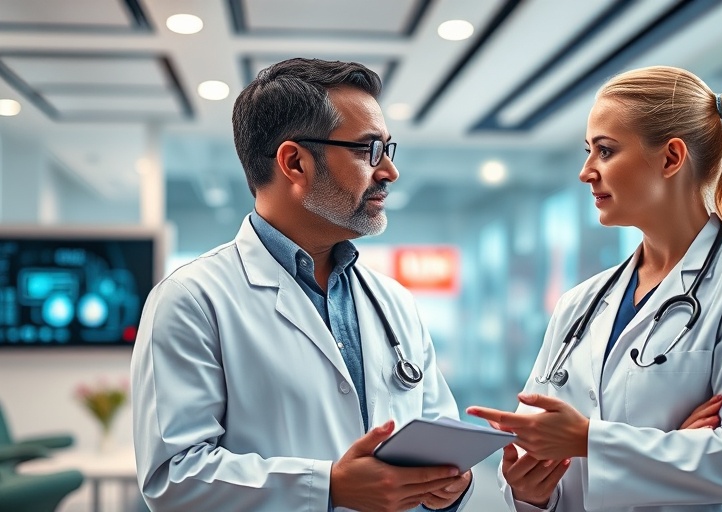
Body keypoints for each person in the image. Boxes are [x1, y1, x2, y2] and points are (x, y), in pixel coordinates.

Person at [130, 58, 472, 512]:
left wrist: (451, 485)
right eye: (369, 150)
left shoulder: (392, 302)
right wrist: (327, 486)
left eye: (390, 150)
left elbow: (437, 431)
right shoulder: (192, 300)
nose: (389, 171)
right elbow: (173, 478)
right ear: (294, 162)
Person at [468, 65, 722, 511]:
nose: (586, 172)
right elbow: (540, 456)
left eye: (605, 151)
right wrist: (529, 491)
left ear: (671, 158)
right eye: (588, 151)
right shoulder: (581, 304)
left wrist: (588, 439)